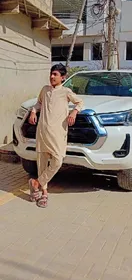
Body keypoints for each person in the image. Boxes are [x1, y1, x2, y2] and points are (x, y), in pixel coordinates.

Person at [28, 63, 83, 208]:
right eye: (51, 74)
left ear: (63, 77)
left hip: (58, 133)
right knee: (42, 162)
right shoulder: (45, 90)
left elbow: (80, 102)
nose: (52, 77)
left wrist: (74, 112)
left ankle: (36, 183)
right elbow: (39, 103)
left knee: (57, 160)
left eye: (55, 74)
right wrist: (33, 111)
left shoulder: (66, 92)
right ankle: (44, 193)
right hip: (42, 131)